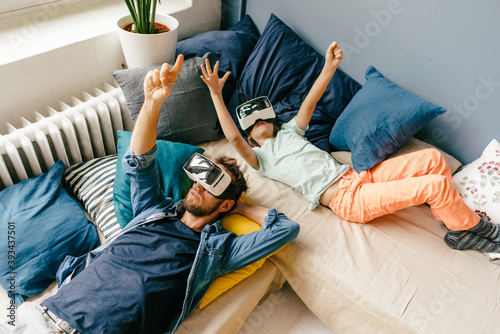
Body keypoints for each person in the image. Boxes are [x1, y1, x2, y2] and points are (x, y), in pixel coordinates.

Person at [2, 54, 299, 334]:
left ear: (225, 203)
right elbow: (139, 160)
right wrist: (152, 102)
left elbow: (286, 229)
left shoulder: (218, 252)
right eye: (199, 174)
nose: (198, 184)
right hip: (40, 318)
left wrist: (240, 209)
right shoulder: (152, 209)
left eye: (212, 183)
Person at [200, 41, 500, 253]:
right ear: (250, 139)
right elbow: (234, 138)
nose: (257, 124)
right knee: (435, 185)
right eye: (251, 126)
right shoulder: (260, 158)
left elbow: (311, 101)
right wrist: (216, 93)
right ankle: (464, 231)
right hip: (347, 200)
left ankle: (449, 216)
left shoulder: (291, 131)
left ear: (275, 120)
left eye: (262, 117)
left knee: (434, 159)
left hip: (358, 176)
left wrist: (329, 67)